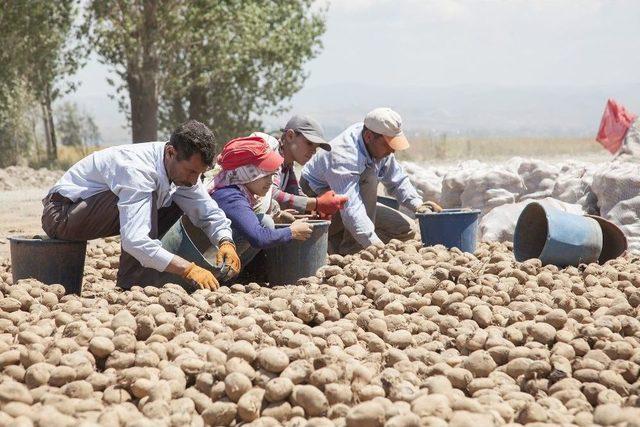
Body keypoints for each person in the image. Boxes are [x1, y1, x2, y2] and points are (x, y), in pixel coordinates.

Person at [41, 120, 240, 291]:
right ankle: (135, 284)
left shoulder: (181, 172)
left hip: (90, 212)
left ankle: (137, 281)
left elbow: (206, 211)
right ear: (171, 152)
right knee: (149, 199)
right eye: (190, 172)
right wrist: (188, 269)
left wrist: (225, 241)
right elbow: (134, 239)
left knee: (179, 199)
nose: (193, 180)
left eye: (198, 174)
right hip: (61, 215)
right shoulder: (138, 170)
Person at [300, 107, 442, 255]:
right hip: (318, 202)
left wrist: (419, 205)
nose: (392, 150)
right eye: (387, 144)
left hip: (350, 203)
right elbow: (351, 209)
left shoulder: (378, 145)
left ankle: (335, 243)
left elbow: (397, 180)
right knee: (369, 177)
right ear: (368, 137)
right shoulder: (344, 156)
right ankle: (350, 251)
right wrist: (374, 245)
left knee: (406, 230)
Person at [209, 135, 313, 267]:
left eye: (272, 174)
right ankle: (225, 274)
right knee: (265, 223)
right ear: (245, 173)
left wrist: (278, 215)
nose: (271, 181)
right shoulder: (230, 196)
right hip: (207, 257)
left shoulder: (238, 189)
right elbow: (259, 238)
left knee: (267, 218)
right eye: (265, 175)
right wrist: (292, 231)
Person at [251, 115, 347, 217]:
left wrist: (313, 209)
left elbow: (295, 192)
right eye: (309, 143)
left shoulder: (288, 165)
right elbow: (270, 194)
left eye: (316, 147)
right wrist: (316, 203)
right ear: (290, 136)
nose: (313, 151)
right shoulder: (272, 153)